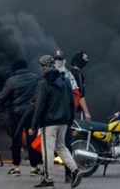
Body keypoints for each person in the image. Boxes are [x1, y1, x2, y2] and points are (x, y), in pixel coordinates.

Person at [29, 55, 84, 189]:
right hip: (64, 121)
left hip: (49, 123)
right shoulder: (65, 80)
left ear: (43, 66)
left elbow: (39, 106)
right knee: (61, 147)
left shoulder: (44, 82)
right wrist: (70, 119)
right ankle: (75, 171)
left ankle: (48, 180)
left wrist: (33, 126)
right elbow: (71, 102)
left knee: (47, 151)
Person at [0, 59, 42, 177]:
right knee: (31, 140)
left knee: (16, 140)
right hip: (31, 113)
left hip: (16, 114)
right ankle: (34, 168)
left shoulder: (11, 81)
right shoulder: (35, 78)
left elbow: (1, 98)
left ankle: (16, 167)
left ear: (15, 69)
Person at [54, 50, 80, 182]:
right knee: (51, 145)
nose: (58, 61)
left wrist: (70, 111)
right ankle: (47, 172)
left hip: (60, 116)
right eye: (56, 59)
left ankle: (68, 172)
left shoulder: (68, 75)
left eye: (59, 59)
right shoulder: (49, 74)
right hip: (53, 116)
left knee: (65, 145)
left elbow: (75, 95)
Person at [69, 51, 91, 121]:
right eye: (85, 58)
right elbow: (80, 95)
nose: (87, 60)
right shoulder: (78, 74)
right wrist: (86, 112)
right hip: (75, 111)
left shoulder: (69, 73)